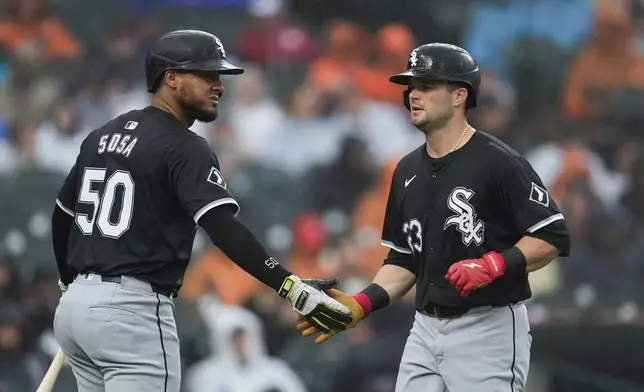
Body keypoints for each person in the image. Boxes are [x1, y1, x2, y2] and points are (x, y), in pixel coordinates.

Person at [50, 29, 351, 392]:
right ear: (171, 78)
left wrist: (71, 282)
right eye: (206, 75)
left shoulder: (102, 136)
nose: (218, 85)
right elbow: (221, 226)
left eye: (218, 76)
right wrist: (289, 286)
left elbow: (62, 215)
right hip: (130, 313)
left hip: (77, 309)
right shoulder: (184, 145)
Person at [296, 43, 571, 392]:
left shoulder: (500, 163)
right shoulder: (406, 169)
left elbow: (552, 235)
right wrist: (362, 304)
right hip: (424, 327)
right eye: (412, 86)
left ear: (458, 95)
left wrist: (494, 265)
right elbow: (405, 258)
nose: (414, 94)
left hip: (487, 327)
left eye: (427, 86)